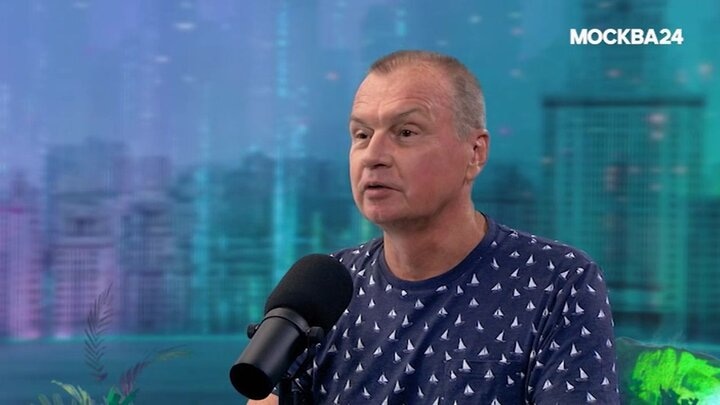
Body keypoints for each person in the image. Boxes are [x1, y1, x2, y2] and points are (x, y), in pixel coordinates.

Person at [250, 50, 619, 404]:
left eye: (406, 132)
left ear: (475, 152)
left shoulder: (558, 282)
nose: (373, 156)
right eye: (361, 135)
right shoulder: (324, 290)